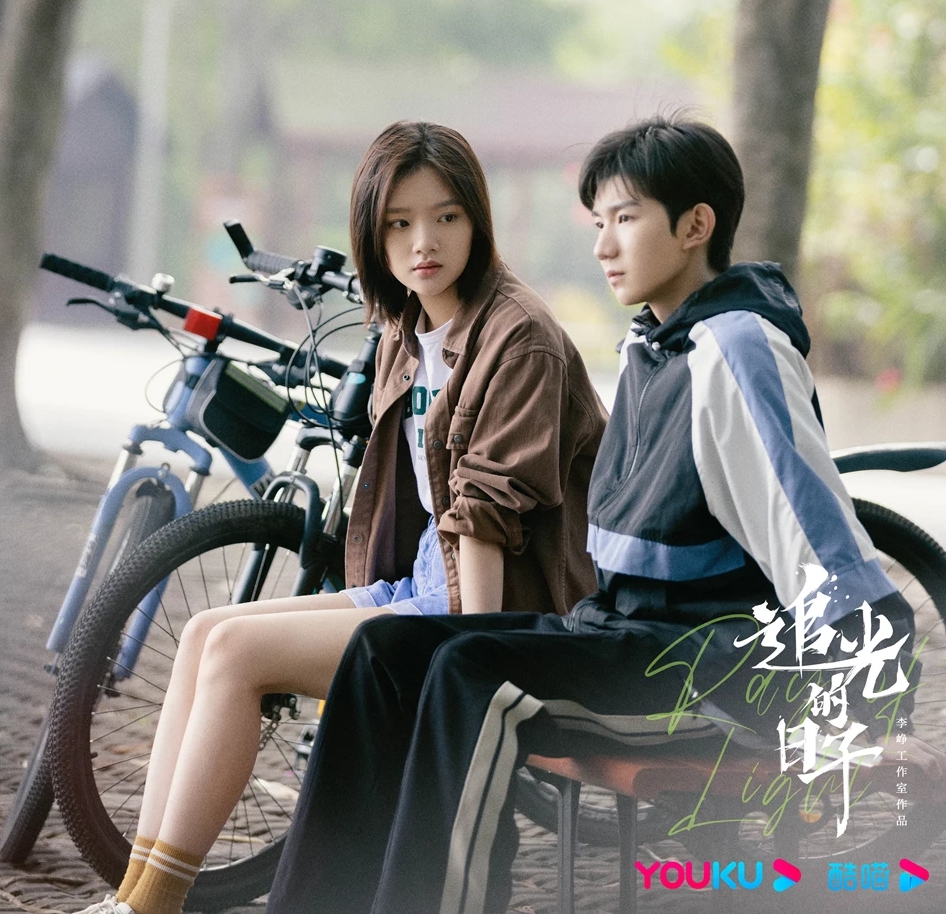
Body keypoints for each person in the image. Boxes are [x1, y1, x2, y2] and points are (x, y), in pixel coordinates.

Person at [264, 115, 933, 914]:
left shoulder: (737, 350)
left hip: (711, 674)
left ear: (695, 226)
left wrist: (865, 714)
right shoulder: (657, 343)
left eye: (625, 218)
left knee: (469, 674)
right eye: (597, 223)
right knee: (383, 650)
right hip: (625, 638)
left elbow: (821, 545)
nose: (604, 246)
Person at [77, 120, 604, 914]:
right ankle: (137, 895)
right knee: (205, 633)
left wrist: (470, 659)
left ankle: (151, 906)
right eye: (399, 222)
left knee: (238, 656)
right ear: (372, 233)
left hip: (502, 612)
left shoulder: (518, 338)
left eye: (447, 216)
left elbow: (484, 518)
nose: (424, 241)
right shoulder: (408, 327)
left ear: (477, 220)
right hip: (422, 584)